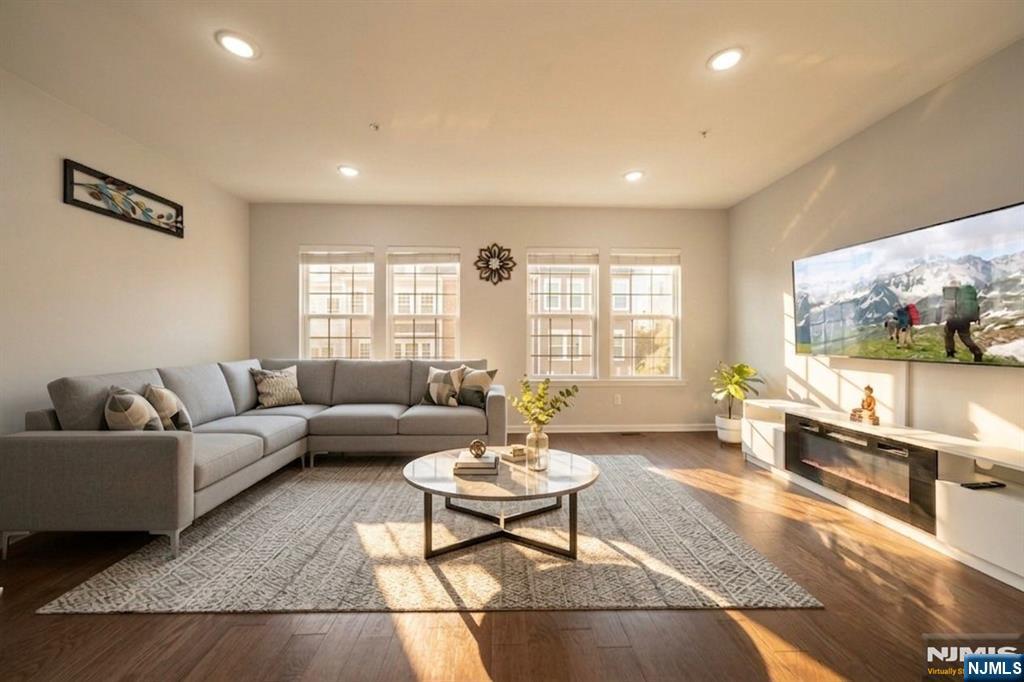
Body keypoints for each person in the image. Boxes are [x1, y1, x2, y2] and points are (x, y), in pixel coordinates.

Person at [940, 280, 983, 362]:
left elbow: (949, 309)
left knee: (948, 335)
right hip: (964, 320)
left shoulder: (951, 296)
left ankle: (950, 352)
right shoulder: (964, 296)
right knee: (966, 337)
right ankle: (977, 351)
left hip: (953, 320)